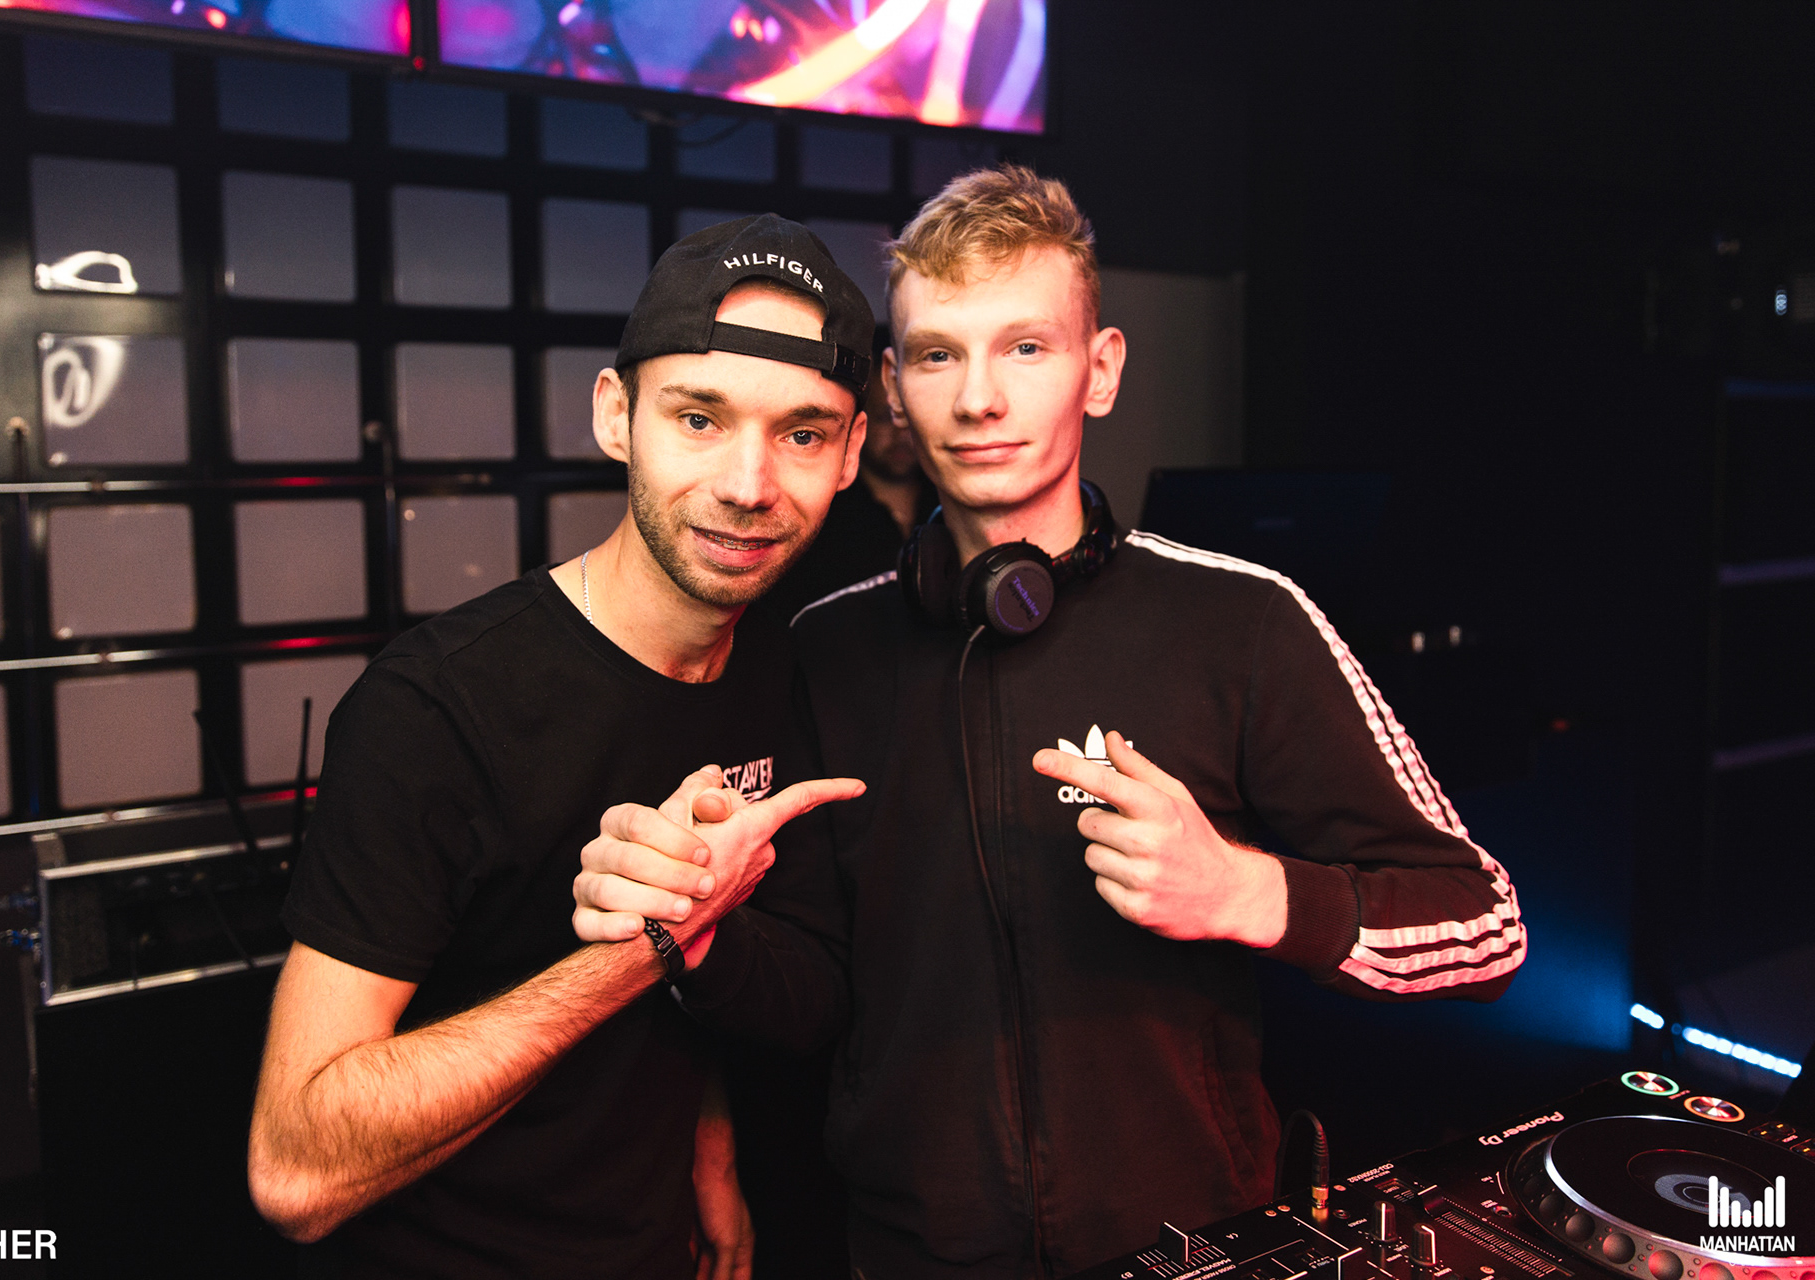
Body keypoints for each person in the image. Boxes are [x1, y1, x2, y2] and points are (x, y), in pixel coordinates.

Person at [571, 167, 1528, 1279]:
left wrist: (1244, 892)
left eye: (1025, 347)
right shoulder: (824, 651)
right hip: (909, 1256)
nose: (979, 398)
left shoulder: (1244, 620)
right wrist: (702, 934)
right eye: (938, 355)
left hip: (1196, 1247)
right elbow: (816, 988)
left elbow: (1487, 924)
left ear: (1100, 369)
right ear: (894, 390)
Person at [246, 214, 877, 1279]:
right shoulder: (436, 709)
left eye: (803, 434)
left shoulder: (780, 670)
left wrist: (710, 1145)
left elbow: (797, 989)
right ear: (616, 415)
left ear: (853, 453)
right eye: (699, 417)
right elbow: (296, 1170)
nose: (749, 483)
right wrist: (646, 943)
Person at [756, 333, 939, 625]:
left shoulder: (946, 504)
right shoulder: (823, 511)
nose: (900, 433)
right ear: (858, 427)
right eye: (885, 418)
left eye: (908, 418)